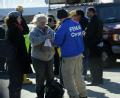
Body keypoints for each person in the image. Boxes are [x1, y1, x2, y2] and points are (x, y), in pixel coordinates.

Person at [54, 9, 87, 98]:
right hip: (79, 53)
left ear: (59, 18)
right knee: (78, 77)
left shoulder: (63, 26)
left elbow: (57, 42)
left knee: (68, 78)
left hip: (68, 56)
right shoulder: (76, 23)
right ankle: (83, 95)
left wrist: (52, 38)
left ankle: (73, 96)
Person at [5, 11, 32, 98]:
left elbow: (25, 30)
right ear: (15, 19)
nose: (21, 19)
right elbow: (14, 48)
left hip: (16, 61)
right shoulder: (14, 29)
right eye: (20, 18)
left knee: (16, 84)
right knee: (15, 84)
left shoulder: (15, 28)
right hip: (16, 62)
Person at [29, 14, 54, 98]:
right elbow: (34, 42)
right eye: (41, 21)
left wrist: (52, 40)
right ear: (36, 22)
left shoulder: (49, 29)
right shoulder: (33, 31)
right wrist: (45, 37)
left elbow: (54, 39)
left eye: (45, 21)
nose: (43, 23)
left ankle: (50, 95)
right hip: (38, 58)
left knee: (50, 78)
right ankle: (40, 96)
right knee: (40, 78)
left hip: (49, 57)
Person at [85, 7, 103, 85]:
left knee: (93, 64)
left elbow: (90, 34)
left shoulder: (93, 21)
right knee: (98, 63)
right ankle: (99, 80)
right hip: (98, 44)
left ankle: (95, 81)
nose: (87, 14)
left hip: (93, 45)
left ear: (92, 12)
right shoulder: (99, 20)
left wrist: (85, 34)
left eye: (88, 12)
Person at [70, 9, 89, 79]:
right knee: (84, 59)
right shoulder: (87, 20)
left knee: (82, 59)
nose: (75, 17)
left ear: (79, 15)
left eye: (76, 15)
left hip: (82, 43)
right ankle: (84, 74)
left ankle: (83, 74)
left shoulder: (79, 22)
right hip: (86, 43)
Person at [16, 5, 33, 84]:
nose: (22, 11)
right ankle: (23, 78)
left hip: (22, 40)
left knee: (21, 59)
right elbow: (24, 30)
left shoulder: (16, 18)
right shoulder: (19, 18)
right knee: (23, 59)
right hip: (23, 40)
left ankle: (22, 78)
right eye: (21, 10)